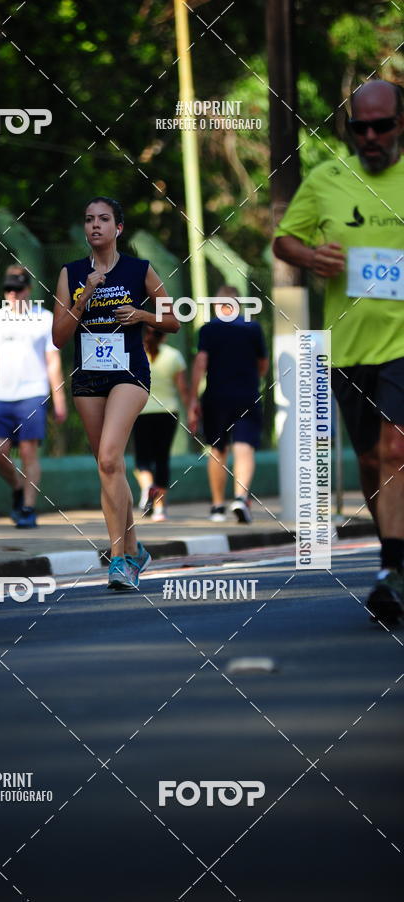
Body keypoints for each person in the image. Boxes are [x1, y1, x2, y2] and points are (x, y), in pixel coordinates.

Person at [273, 79, 404, 626]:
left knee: (395, 449)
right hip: (348, 345)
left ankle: (390, 568)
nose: (370, 137)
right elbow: (284, 240)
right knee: (372, 460)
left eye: (382, 126)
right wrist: (311, 257)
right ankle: (396, 559)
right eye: (360, 128)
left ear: (402, 124)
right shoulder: (326, 179)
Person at [52, 197, 179, 589]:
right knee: (109, 467)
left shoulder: (139, 269)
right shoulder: (71, 273)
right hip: (88, 377)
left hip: (129, 373)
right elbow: (58, 337)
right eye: (89, 219)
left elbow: (173, 320)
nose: (95, 226)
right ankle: (136, 549)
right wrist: (84, 295)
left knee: (110, 456)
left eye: (104, 219)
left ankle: (119, 558)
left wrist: (142, 316)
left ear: (118, 228)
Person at [0, 266, 67, 528]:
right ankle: (17, 488)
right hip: (3, 395)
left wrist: (59, 399)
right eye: (8, 289)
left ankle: (27, 506)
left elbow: (52, 361)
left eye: (18, 288)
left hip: (33, 393)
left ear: (28, 289)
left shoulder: (44, 318)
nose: (13, 293)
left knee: (28, 453)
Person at [188, 286, 269, 524]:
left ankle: (216, 506)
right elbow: (262, 364)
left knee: (217, 449)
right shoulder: (253, 329)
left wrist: (193, 398)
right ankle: (241, 499)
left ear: (216, 305)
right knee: (244, 448)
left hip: (216, 397)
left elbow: (201, 362)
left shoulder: (208, 330)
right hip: (247, 395)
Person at [133, 326, 188, 522]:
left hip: (140, 412)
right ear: (164, 335)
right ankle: (159, 510)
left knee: (142, 458)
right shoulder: (174, 356)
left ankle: (148, 486)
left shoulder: (136, 353)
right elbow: (182, 388)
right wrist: (191, 409)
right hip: (168, 413)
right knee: (162, 459)